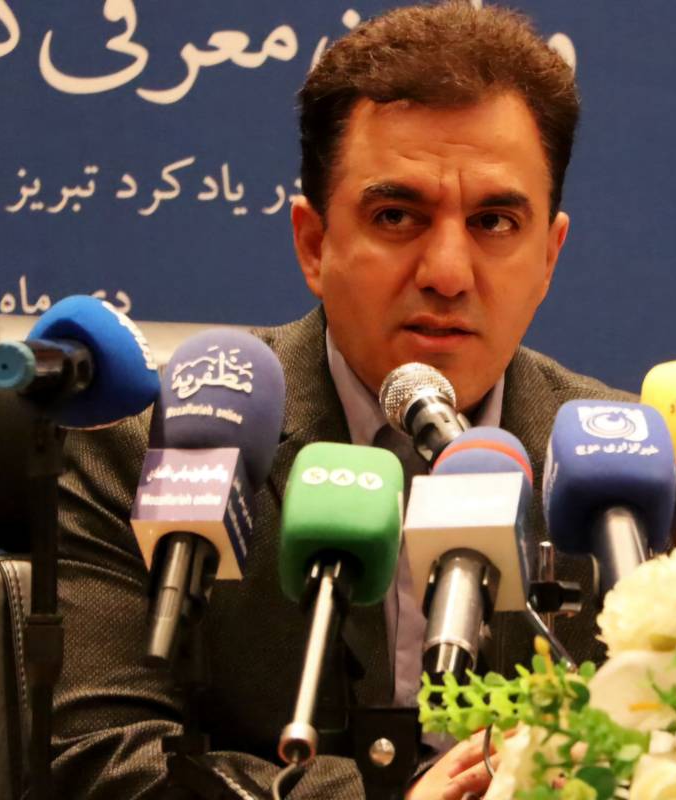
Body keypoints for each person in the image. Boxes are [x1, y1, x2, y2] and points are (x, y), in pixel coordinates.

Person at [51, 3, 634, 798]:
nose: (448, 272)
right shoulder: (146, 447)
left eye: (495, 221)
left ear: (548, 258)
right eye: (396, 216)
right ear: (314, 244)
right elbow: (99, 756)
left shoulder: (628, 484)